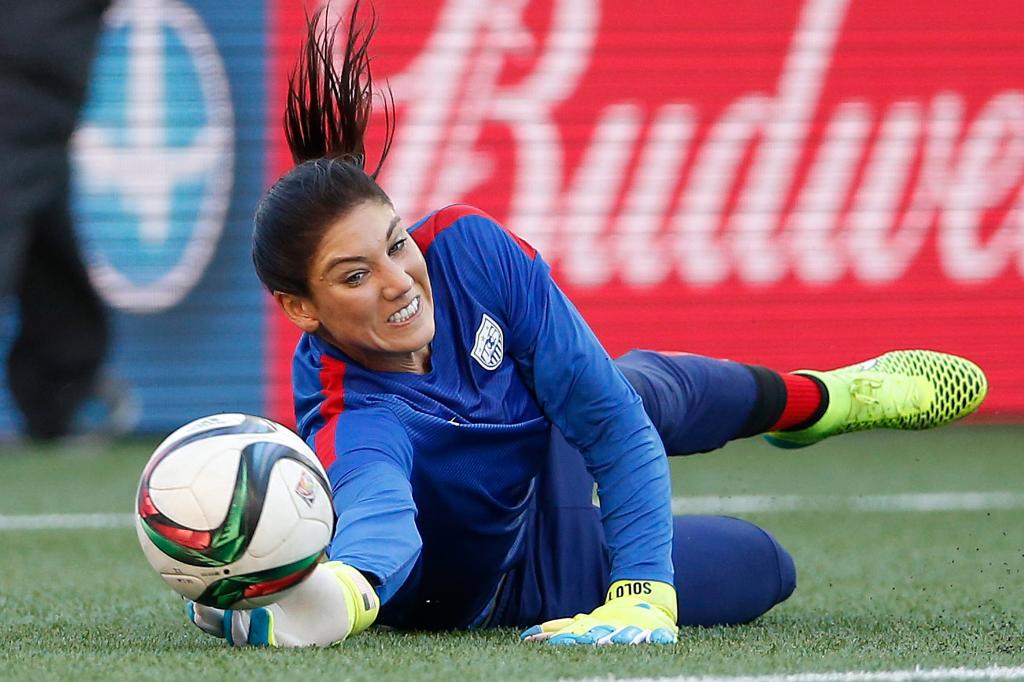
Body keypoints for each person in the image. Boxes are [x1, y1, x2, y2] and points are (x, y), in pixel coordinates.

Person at [187, 4, 988, 647]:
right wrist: (333, 597)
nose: (399, 283)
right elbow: (381, 517)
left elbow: (607, 415)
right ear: (301, 308)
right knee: (765, 565)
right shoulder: (349, 407)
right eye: (354, 277)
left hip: (549, 442)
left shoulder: (469, 248)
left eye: (395, 245)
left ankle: (821, 400)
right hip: (522, 581)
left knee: (630, 386)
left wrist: (643, 594)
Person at [0, 0, 132, 440]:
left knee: (40, 219)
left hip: (39, 76)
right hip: (28, 73)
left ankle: (62, 388)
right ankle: (62, 386)